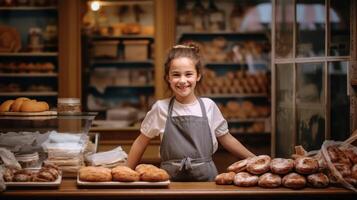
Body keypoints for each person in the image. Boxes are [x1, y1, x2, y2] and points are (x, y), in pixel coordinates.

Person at [127, 43, 255, 181]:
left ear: (198, 76)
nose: (182, 80)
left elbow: (227, 139)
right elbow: (141, 142)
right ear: (168, 78)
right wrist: (126, 172)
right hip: (170, 183)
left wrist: (255, 160)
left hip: (207, 182)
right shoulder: (160, 108)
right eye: (176, 75)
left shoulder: (208, 106)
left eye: (188, 74)